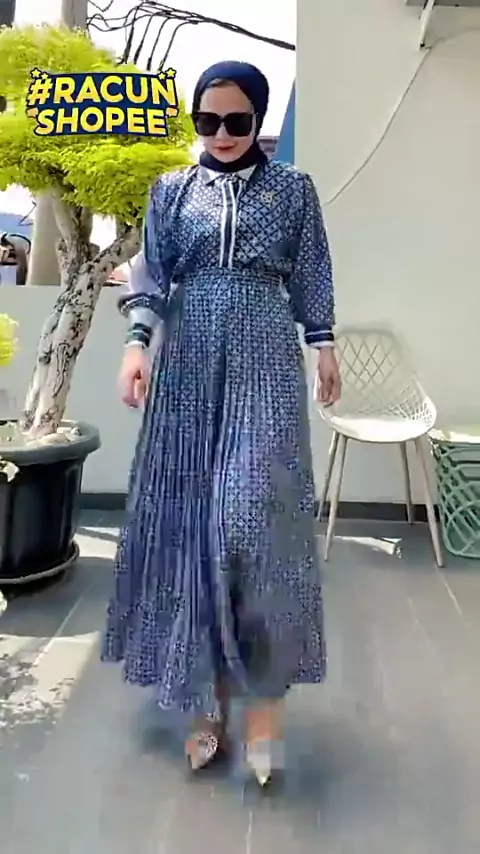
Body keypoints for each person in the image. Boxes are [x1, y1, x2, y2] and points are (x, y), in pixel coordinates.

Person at [101, 61, 341, 787]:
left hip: (265, 355)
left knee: (255, 523)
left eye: (237, 120)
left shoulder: (293, 189)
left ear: (258, 118)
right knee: (190, 525)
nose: (222, 133)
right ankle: (204, 701)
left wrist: (324, 343)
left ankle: (263, 707)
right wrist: (136, 347)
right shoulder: (172, 191)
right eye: (208, 120)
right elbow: (152, 273)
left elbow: (312, 270)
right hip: (188, 360)